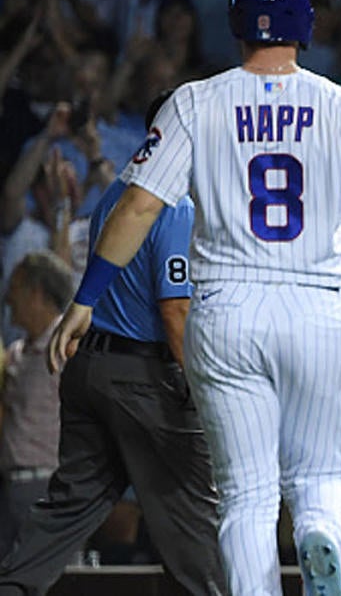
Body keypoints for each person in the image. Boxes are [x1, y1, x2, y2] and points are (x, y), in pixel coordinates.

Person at [46, 0, 341, 596]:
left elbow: (139, 205)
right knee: (323, 474)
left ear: (235, 24)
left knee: (247, 493)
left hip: (227, 309)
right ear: (305, 24)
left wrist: (86, 298)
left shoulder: (195, 101)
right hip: (318, 307)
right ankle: (322, 533)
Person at [0, 91, 226, 596]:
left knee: (68, 508)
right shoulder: (175, 202)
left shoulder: (120, 190)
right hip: (147, 380)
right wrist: (204, 391)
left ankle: (13, 588)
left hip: (92, 371)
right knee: (192, 516)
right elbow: (175, 308)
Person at [0, 252, 73, 558]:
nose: (7, 298)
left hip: (50, 487)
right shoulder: (16, 353)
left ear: (36, 293)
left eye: (14, 288)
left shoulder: (68, 346)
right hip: (10, 488)